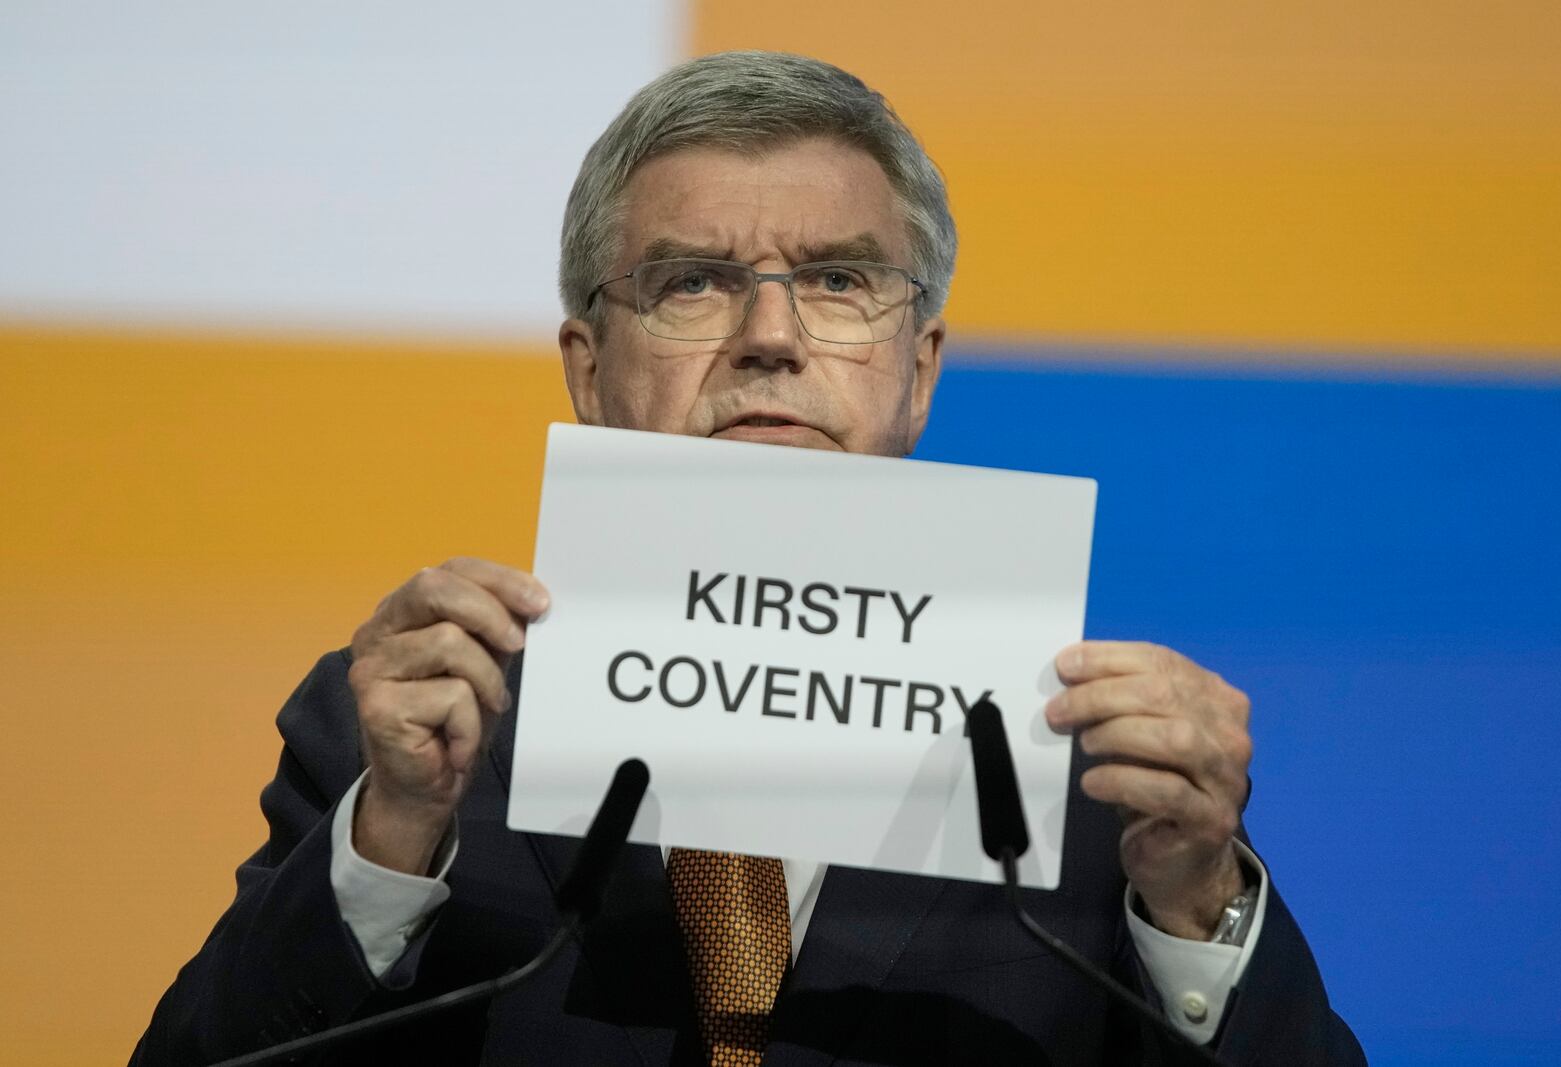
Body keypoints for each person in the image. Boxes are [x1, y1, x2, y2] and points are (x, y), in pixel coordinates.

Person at [132, 51, 1365, 1066]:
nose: (770, 337)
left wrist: (1195, 908)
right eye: (692, 283)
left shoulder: (1097, 779)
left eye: (838, 280)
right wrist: (392, 841)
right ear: (588, 368)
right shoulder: (414, 734)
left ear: (918, 368)